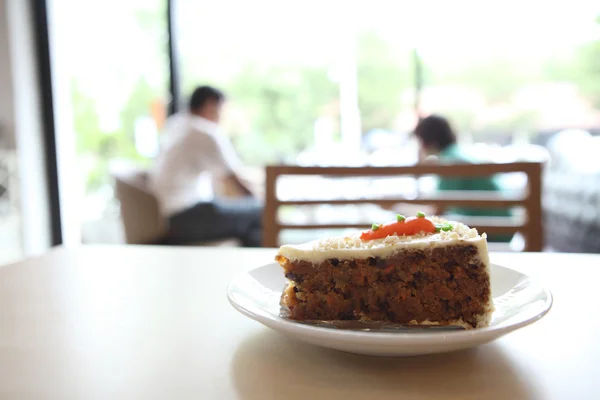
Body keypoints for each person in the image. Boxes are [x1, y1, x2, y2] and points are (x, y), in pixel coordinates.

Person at [150, 85, 262, 247]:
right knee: (262, 211)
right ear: (210, 104)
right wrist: (262, 200)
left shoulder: (176, 124)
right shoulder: (203, 131)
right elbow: (235, 180)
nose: (222, 116)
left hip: (169, 216)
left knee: (251, 229)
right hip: (188, 216)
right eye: (222, 109)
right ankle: (262, 269)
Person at [413, 115, 512, 241]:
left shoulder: (450, 162)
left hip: (491, 230)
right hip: (503, 225)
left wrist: (400, 207)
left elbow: (438, 210)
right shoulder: (456, 154)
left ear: (427, 140)